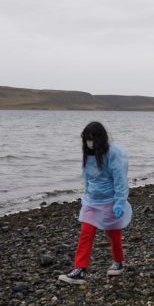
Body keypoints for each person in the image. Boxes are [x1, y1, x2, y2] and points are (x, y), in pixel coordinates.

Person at [59, 122, 131, 285]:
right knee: (86, 232)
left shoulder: (114, 153)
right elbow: (87, 176)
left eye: (91, 139)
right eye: (86, 139)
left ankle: (118, 262)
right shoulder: (88, 152)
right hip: (92, 201)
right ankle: (80, 269)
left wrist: (120, 201)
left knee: (113, 233)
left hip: (110, 200)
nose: (88, 143)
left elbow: (120, 179)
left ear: (99, 138)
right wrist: (86, 196)